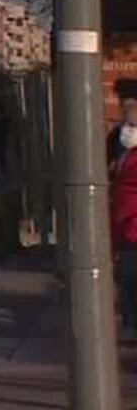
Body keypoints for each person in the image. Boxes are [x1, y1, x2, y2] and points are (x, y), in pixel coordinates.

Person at [112, 119, 137, 341]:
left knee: (129, 280)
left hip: (132, 229)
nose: (127, 131)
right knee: (127, 280)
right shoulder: (126, 157)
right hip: (126, 229)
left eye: (132, 126)